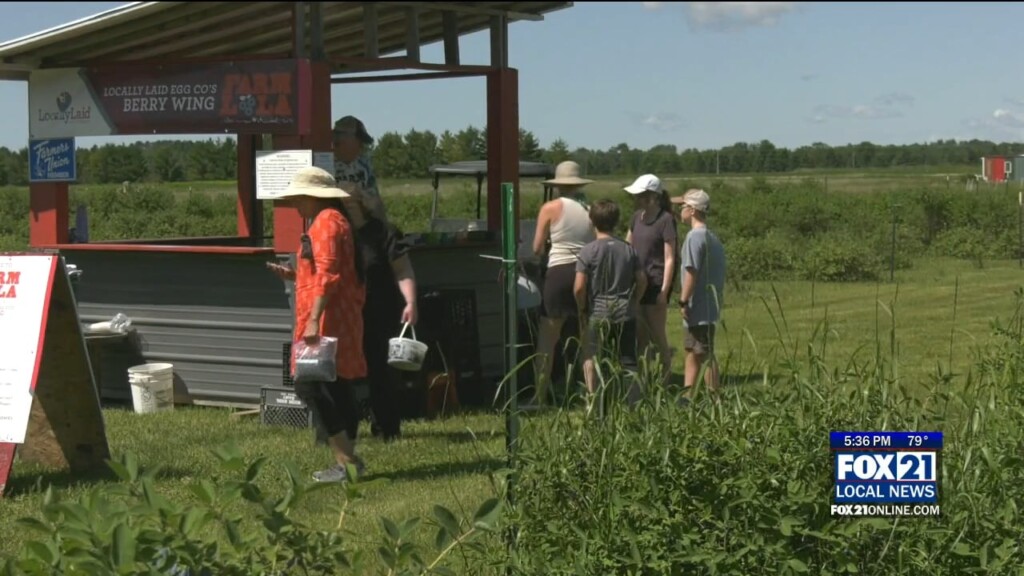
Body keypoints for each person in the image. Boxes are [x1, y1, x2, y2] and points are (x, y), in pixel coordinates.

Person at [266, 166, 368, 483]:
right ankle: (347, 460)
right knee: (336, 385)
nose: (296, 204)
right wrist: (296, 275)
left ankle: (346, 460)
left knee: (310, 384)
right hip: (338, 316)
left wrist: (313, 319)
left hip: (327, 319)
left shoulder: (326, 224)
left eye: (298, 198)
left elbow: (328, 275)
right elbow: (326, 271)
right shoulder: (334, 221)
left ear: (313, 196)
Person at [340, 183, 418, 442]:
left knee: (382, 371)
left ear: (363, 203)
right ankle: (341, 431)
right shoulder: (335, 233)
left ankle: (386, 429)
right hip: (346, 312)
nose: (346, 207)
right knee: (341, 373)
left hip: (380, 309)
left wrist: (410, 302)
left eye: (351, 202)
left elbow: (403, 270)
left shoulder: (384, 232)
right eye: (341, 203)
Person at [528, 160, 596, 407]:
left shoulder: (550, 208)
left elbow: (537, 247)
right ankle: (592, 398)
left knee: (548, 339)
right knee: (587, 342)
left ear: (557, 185)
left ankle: (539, 396)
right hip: (584, 274)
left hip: (558, 274)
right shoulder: (590, 209)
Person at [573, 199, 646, 397]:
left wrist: (582, 309)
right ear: (616, 221)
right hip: (625, 311)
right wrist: (634, 302)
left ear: (592, 222)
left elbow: (579, 287)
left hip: (598, 312)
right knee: (628, 359)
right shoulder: (629, 249)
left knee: (592, 357)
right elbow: (641, 280)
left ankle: (594, 400)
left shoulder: (588, 251)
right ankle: (633, 402)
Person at [672, 188, 726, 397]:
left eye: (683, 207)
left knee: (704, 353)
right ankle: (688, 396)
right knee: (692, 351)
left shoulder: (694, 237)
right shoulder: (710, 237)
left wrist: (683, 300)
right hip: (707, 306)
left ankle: (715, 398)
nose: (680, 211)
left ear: (692, 210)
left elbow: (691, 272)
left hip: (699, 306)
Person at [624, 174, 677, 386]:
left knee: (658, 334)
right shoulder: (636, 217)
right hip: (637, 282)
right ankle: (643, 380)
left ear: (652, 196)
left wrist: (664, 291)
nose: (637, 199)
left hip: (655, 283)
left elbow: (670, 257)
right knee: (640, 335)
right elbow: (628, 246)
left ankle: (665, 377)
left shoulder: (666, 220)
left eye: (641, 195)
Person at [332, 115, 388, 223]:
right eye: (359, 140)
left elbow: (373, 196)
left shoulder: (363, 164)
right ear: (341, 139)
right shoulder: (325, 162)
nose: (362, 146)